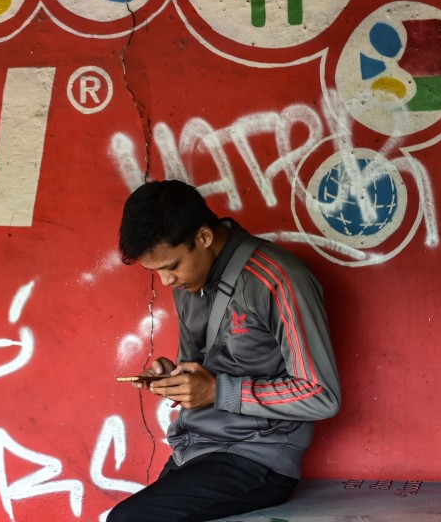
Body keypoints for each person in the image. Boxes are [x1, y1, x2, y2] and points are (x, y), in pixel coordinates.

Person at [108, 180, 340, 522]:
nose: (167, 282)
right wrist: (175, 377)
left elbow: (321, 394)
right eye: (156, 273)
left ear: (203, 237)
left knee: (127, 520)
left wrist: (217, 391)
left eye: (171, 267)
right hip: (194, 449)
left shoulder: (278, 279)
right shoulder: (189, 284)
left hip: (256, 458)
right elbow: (197, 370)